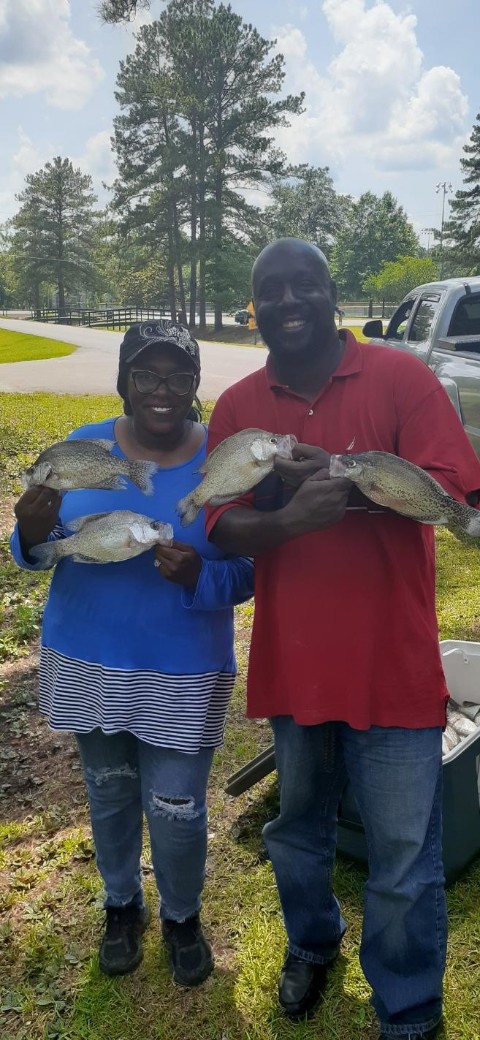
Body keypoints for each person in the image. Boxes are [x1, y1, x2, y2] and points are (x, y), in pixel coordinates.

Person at [204, 238, 480, 1039]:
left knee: (402, 850)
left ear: (333, 294)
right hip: (296, 666)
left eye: (304, 286)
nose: (288, 302)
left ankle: (408, 1009)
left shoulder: (402, 379)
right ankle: (312, 944)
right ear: (254, 308)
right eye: (269, 291)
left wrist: (353, 479)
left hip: (392, 666)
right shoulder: (239, 407)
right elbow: (223, 527)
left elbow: (451, 492)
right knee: (298, 830)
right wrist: (289, 518)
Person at [10, 320, 253, 988]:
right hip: (88, 655)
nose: (162, 389)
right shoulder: (80, 450)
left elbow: (250, 569)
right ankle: (122, 906)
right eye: (146, 374)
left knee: (177, 809)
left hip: (185, 666)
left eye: (178, 374)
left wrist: (198, 578)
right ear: (124, 380)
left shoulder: (222, 463)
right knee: (110, 794)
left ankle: (181, 915)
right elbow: (37, 547)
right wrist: (27, 536)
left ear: (196, 383)